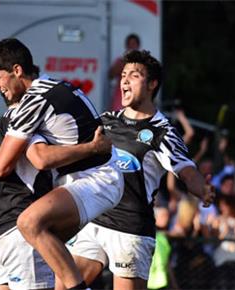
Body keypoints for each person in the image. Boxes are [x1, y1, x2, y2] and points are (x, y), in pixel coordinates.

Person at [0, 38, 123, 290]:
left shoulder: (34, 101)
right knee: (50, 257)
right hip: (82, 180)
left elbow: (18, 164)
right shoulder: (51, 87)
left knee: (29, 224)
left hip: (96, 178)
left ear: (17, 70)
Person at [61, 50, 215, 290]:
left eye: (133, 75)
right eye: (123, 75)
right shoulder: (106, 120)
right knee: (65, 286)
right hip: (95, 219)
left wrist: (202, 189)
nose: (124, 80)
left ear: (152, 84)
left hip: (130, 230)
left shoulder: (163, 132)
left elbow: (186, 170)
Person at [108, 33, 140, 111]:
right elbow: (110, 75)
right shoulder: (121, 61)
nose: (132, 47)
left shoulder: (143, 63)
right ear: (126, 46)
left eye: (134, 44)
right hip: (120, 100)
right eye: (130, 44)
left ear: (138, 46)